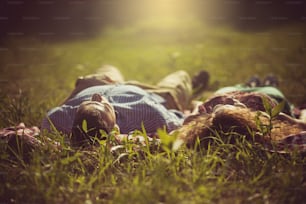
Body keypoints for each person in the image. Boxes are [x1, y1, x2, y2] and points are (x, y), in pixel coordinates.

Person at [41, 65, 209, 147]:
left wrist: (81, 92)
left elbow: (50, 116)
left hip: (99, 82)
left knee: (109, 67)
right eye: (104, 106)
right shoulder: (150, 117)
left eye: (91, 101)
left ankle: (109, 77)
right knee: (180, 76)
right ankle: (193, 85)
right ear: (113, 127)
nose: (98, 97)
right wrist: (194, 109)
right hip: (153, 93)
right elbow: (179, 120)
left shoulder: (58, 119)